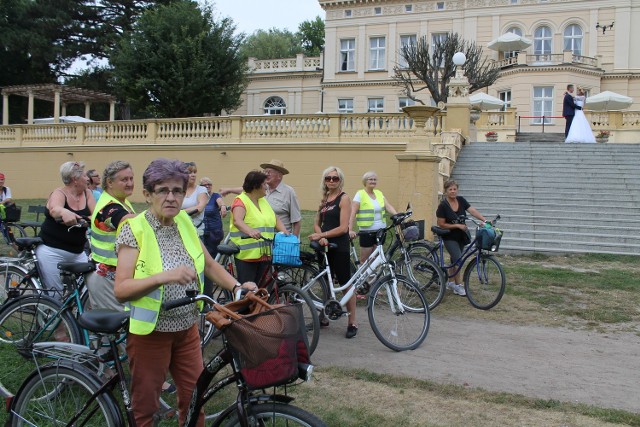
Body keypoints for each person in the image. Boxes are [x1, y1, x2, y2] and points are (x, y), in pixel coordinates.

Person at [114, 158, 257, 427]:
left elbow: (210, 264)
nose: (171, 197)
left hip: (187, 330)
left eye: (177, 190)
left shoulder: (183, 221)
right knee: (146, 408)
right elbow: (121, 289)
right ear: (147, 194)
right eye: (162, 190)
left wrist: (237, 287)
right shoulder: (134, 229)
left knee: (194, 400)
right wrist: (163, 277)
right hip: (150, 334)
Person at [308, 166, 356, 339]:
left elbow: (344, 227)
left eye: (335, 178)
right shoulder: (325, 199)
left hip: (339, 245)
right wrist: (320, 236)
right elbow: (316, 222)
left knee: (345, 284)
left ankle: (352, 322)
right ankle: (324, 316)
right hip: (324, 244)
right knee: (325, 282)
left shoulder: (344, 199)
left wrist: (323, 234)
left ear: (340, 180)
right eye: (328, 178)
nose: (331, 181)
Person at [36, 161, 96, 294]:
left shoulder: (87, 194)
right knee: (54, 293)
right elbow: (54, 209)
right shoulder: (59, 193)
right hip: (52, 251)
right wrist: (64, 212)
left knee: (89, 290)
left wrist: (83, 219)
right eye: (85, 176)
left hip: (78, 252)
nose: (88, 179)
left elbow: (96, 215)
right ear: (75, 179)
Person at [87, 160, 136, 311]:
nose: (130, 183)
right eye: (124, 180)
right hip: (106, 276)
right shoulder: (108, 206)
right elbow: (125, 219)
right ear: (109, 182)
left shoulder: (123, 202)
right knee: (120, 325)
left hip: (116, 274)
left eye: (131, 178)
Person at [229, 170, 288, 284]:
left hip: (265, 253)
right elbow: (237, 221)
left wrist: (285, 232)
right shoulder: (241, 201)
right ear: (256, 186)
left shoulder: (263, 201)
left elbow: (275, 218)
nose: (266, 187)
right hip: (247, 255)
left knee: (261, 289)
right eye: (264, 184)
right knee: (248, 290)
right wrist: (250, 231)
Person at [220, 159, 302, 236]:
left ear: (279, 176)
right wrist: (229, 190)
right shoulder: (256, 194)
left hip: (279, 239)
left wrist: (291, 240)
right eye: (265, 171)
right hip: (258, 239)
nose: (266, 174)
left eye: (269, 172)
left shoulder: (288, 192)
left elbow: (292, 220)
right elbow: (237, 220)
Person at [435, 179, 486, 296]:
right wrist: (457, 225)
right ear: (446, 191)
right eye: (450, 189)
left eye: (454, 189)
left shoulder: (461, 200)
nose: (453, 191)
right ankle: (458, 285)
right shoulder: (443, 206)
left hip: (461, 236)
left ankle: (450, 282)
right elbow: (441, 224)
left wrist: (484, 220)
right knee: (458, 259)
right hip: (449, 236)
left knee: (454, 260)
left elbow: (472, 210)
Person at [349, 171, 398, 265]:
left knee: (375, 258)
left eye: (375, 179)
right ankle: (364, 278)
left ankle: (372, 278)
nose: (373, 181)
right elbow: (353, 212)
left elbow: (388, 206)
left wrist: (396, 214)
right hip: (367, 232)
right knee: (365, 259)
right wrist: (350, 229)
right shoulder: (360, 194)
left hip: (381, 231)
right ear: (365, 181)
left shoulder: (379, 193)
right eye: (370, 179)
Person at [200, 177, 227, 295]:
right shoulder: (199, 196)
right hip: (201, 233)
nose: (207, 186)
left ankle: (208, 292)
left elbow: (220, 202)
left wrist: (222, 207)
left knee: (211, 263)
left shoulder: (215, 196)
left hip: (213, 235)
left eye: (209, 184)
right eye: (204, 185)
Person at [181, 162, 208, 237]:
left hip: (196, 231)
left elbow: (199, 208)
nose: (193, 175)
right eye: (189, 172)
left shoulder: (201, 189)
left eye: (194, 172)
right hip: (180, 230)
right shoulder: (178, 190)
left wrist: (178, 213)